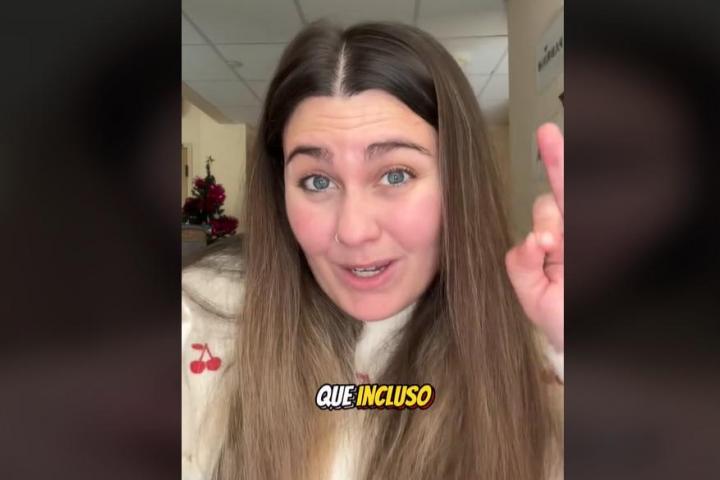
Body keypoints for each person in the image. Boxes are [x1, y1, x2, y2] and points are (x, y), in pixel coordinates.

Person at [182, 21, 564, 480]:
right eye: (317, 181)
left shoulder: (539, 334)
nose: (354, 231)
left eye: (396, 175)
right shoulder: (204, 321)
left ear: (457, 182)